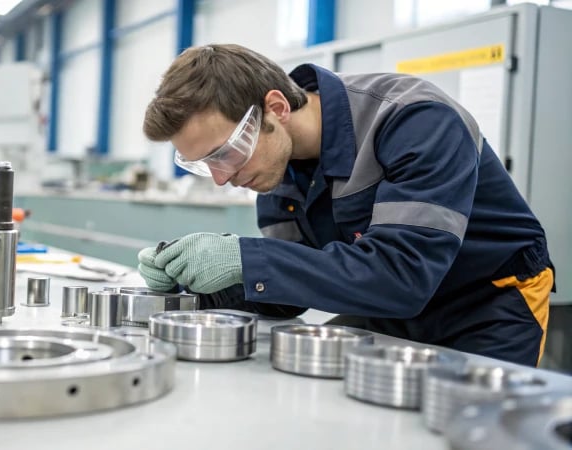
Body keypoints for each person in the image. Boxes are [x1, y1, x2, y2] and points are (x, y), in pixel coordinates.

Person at [137, 44, 554, 367]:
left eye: (225, 153)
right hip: (384, 303)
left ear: (276, 108)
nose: (222, 178)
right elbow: (292, 288)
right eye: (204, 164)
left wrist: (248, 258)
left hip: (486, 301)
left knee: (471, 429)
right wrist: (191, 289)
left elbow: (402, 276)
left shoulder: (414, 119)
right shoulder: (275, 169)